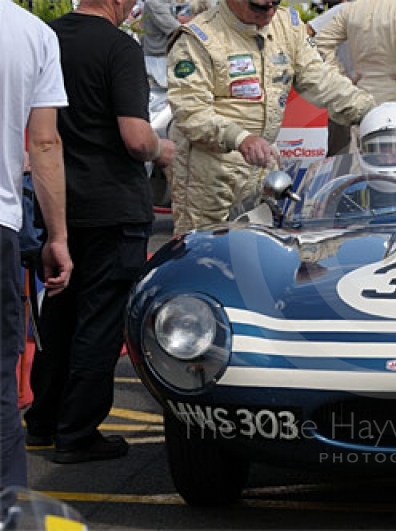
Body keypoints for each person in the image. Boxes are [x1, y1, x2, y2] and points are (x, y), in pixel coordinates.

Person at [23, 0, 175, 464]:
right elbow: (134, 136)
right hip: (113, 205)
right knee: (101, 322)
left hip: (58, 201)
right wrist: (161, 148)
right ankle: (78, 432)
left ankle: (44, 423)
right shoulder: (119, 48)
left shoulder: (45, 37)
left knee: (60, 316)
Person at [167, 0, 375, 234]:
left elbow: (320, 80)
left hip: (263, 170)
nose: (269, 12)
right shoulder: (199, 38)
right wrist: (241, 139)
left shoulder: (287, 26)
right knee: (205, 255)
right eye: (259, 7)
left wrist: (371, 112)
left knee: (258, 254)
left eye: (274, 5)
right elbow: (190, 111)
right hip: (210, 175)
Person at [0, 0, 72, 488]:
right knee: (2, 383)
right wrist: (58, 236)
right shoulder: (31, 33)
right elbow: (44, 143)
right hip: (1, 223)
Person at [314, 0, 396, 109]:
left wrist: (342, 76)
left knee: (363, 127)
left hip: (361, 88)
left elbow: (320, 41)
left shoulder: (351, 9)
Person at [306, 1, 356, 156]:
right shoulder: (346, 9)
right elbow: (307, 31)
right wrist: (333, 69)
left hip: (378, 95)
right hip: (344, 94)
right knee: (341, 153)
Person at [141, 0, 193, 88]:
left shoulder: (169, 2)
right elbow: (175, 29)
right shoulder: (154, 3)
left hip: (169, 56)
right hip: (158, 59)